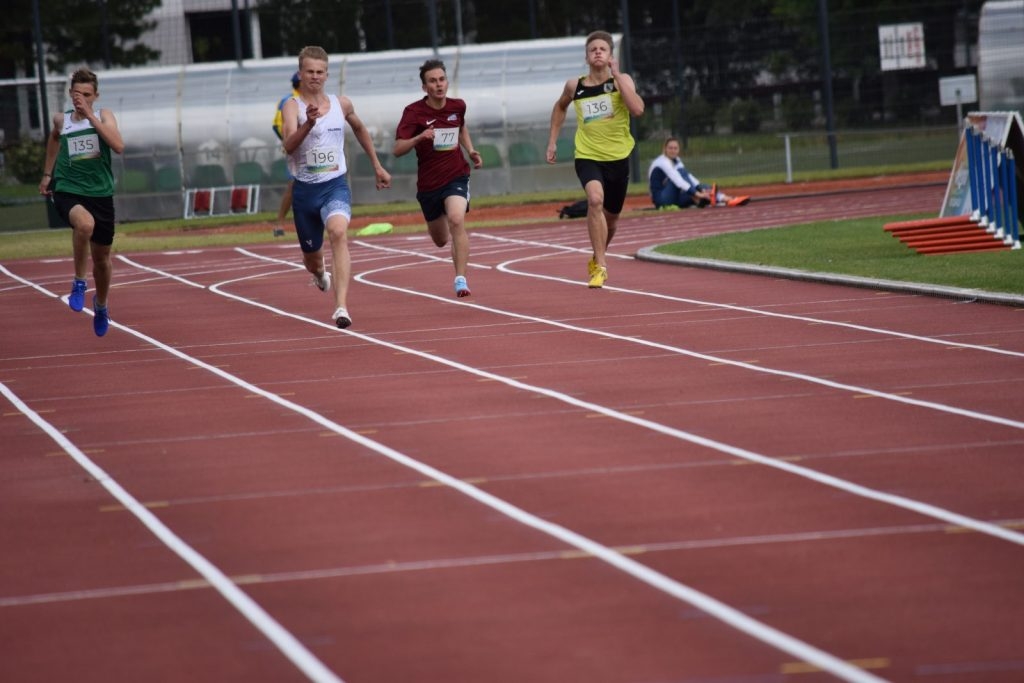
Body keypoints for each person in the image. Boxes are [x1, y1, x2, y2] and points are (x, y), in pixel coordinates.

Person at [281, 45, 391, 328]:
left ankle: (341, 307)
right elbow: (288, 146)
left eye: (320, 72)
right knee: (313, 259)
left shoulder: (341, 104)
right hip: (305, 191)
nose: (315, 77)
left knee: (339, 232)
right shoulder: (292, 107)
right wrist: (308, 124)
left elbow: (360, 129)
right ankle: (319, 275)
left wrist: (377, 165)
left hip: (334, 185)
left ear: (327, 74)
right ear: (300, 73)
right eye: (309, 72)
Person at [546, 30, 644, 289]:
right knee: (595, 200)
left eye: (603, 49)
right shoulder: (575, 86)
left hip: (618, 157)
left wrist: (618, 75)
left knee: (611, 222)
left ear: (611, 55)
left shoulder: (622, 81)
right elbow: (560, 107)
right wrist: (552, 141)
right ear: (587, 57)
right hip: (588, 155)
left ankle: (598, 253)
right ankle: (600, 266)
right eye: (593, 49)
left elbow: (637, 110)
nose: (598, 52)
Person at [39, 68, 125, 337]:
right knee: (84, 225)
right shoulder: (61, 121)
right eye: (78, 94)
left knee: (102, 259)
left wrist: (89, 116)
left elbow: (118, 145)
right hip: (67, 189)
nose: (83, 99)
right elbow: (54, 139)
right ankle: (78, 282)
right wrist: (48, 174)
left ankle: (100, 305)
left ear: (95, 95)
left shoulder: (103, 116)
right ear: (70, 94)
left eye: (88, 95)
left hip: (99, 194)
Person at [393, 58, 483, 298]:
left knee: (456, 219)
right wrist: (420, 138)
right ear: (425, 87)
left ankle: (461, 279)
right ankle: (439, 217)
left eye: (441, 79)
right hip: (429, 184)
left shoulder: (458, 106)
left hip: (456, 175)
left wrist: (470, 150)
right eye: (432, 81)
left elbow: (461, 127)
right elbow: (398, 148)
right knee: (441, 240)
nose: (438, 85)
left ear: (447, 82)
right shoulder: (413, 113)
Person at [649, 137, 750, 210]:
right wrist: (697, 193)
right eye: (670, 148)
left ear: (679, 150)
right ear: (665, 149)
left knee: (698, 187)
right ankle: (699, 198)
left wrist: (701, 189)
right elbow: (678, 180)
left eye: (675, 148)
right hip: (661, 200)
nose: (673, 150)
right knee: (681, 174)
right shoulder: (662, 162)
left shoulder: (677, 160)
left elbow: (689, 177)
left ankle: (727, 199)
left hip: (674, 197)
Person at [271, 71, 301, 237]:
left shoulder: (315, 98)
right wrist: (289, 141)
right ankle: (279, 222)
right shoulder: (288, 101)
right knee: (293, 183)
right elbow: (276, 125)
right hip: (296, 149)